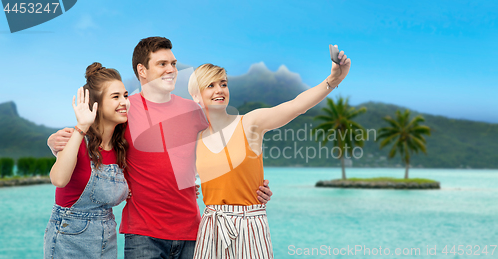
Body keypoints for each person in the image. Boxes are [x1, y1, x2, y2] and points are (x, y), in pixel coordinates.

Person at [47, 36, 273, 259]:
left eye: (173, 64)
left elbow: (225, 147)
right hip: (142, 235)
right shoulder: (123, 111)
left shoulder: (194, 112)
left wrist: (252, 188)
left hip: (192, 232)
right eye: (162, 64)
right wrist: (54, 141)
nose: (171, 69)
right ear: (142, 71)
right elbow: (95, 138)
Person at [188, 45, 351, 258]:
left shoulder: (250, 123)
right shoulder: (194, 139)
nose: (219, 90)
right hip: (212, 227)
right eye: (210, 85)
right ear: (196, 96)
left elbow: (296, 105)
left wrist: (333, 80)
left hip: (250, 225)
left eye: (223, 84)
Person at [44, 62, 130, 258]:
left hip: (106, 239)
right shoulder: (78, 140)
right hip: (68, 238)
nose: (124, 102)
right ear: (96, 105)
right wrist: (81, 126)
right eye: (115, 97)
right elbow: (58, 179)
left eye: (125, 95)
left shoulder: (121, 147)